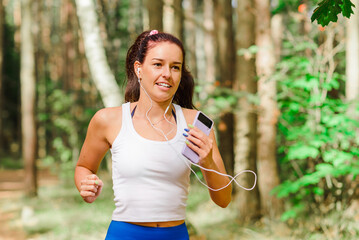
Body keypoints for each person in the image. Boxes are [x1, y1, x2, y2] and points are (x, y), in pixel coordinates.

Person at [74, 30, 232, 240]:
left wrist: (208, 161)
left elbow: (223, 200)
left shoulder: (196, 123)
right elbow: (84, 167)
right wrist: (85, 185)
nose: (167, 73)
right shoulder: (108, 120)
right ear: (139, 69)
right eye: (158, 64)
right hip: (125, 234)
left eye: (175, 67)